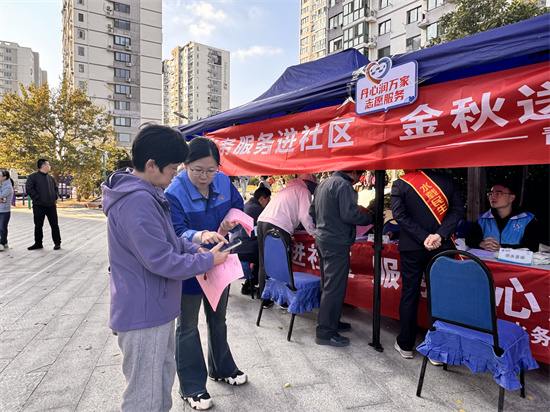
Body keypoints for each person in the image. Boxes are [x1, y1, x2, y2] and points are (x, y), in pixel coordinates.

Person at [101, 125, 229, 412]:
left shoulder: (146, 193)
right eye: (173, 168)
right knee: (144, 395)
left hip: (154, 307)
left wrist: (195, 248)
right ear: (151, 165)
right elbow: (161, 260)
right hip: (144, 311)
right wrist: (208, 260)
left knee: (159, 384)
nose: (175, 174)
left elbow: (169, 240)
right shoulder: (137, 201)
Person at [165, 137, 248, 411]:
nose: (205, 176)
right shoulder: (174, 191)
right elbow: (175, 232)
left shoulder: (223, 181)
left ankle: (222, 368)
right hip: (190, 266)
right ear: (185, 165)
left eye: (211, 169)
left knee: (218, 318)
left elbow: (238, 207)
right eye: (198, 170)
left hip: (220, 262)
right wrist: (200, 235)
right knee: (187, 326)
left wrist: (231, 221)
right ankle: (191, 386)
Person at [390, 169, 464, 361]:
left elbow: (399, 215)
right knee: (440, 296)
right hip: (441, 247)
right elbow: (457, 211)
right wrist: (439, 235)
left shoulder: (401, 183)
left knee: (409, 294)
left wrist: (424, 237)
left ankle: (406, 344)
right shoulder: (448, 180)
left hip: (412, 248)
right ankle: (437, 351)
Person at [309, 170, 374, 347]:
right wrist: (370, 217)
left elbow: (312, 211)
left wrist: (327, 222)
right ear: (352, 171)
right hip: (336, 243)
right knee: (334, 288)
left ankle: (332, 322)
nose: (358, 179)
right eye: (359, 174)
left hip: (323, 239)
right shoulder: (343, 185)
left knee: (328, 285)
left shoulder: (323, 183)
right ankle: (325, 331)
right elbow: (349, 214)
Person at [257, 173, 318, 307]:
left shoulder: (288, 189)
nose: (314, 190)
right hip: (277, 226)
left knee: (265, 262)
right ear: (309, 183)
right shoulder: (304, 191)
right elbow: (305, 216)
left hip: (262, 222)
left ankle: (265, 298)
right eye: (315, 186)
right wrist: (314, 232)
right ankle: (284, 299)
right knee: (282, 264)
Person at [466, 179, 539, 252]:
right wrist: (481, 244)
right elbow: (469, 239)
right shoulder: (483, 219)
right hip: (487, 261)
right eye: (490, 194)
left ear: (511, 198)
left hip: (514, 262)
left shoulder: (527, 219)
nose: (492, 197)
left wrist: (502, 248)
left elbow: (532, 246)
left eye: (498, 194)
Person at [233, 186, 272, 295]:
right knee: (266, 258)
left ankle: (248, 285)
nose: (268, 203)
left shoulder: (247, 205)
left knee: (259, 252)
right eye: (268, 200)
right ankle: (263, 293)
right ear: (262, 198)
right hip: (244, 249)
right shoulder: (258, 210)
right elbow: (267, 228)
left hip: (236, 246)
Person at [26, 159, 62, 250]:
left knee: (54, 225)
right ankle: (38, 243)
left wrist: (55, 196)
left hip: (51, 205)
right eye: (48, 164)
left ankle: (57, 243)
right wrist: (37, 197)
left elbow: (55, 188)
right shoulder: (32, 177)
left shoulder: (50, 178)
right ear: (43, 166)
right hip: (39, 205)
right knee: (38, 225)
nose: (50, 166)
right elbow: (29, 189)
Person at [0, 170, 14, 251]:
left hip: (4, 211)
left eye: (0, 175)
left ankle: (2, 243)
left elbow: (2, 196)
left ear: (4, 177)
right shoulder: (1, 185)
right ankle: (4, 241)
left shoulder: (8, 187)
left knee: (2, 227)